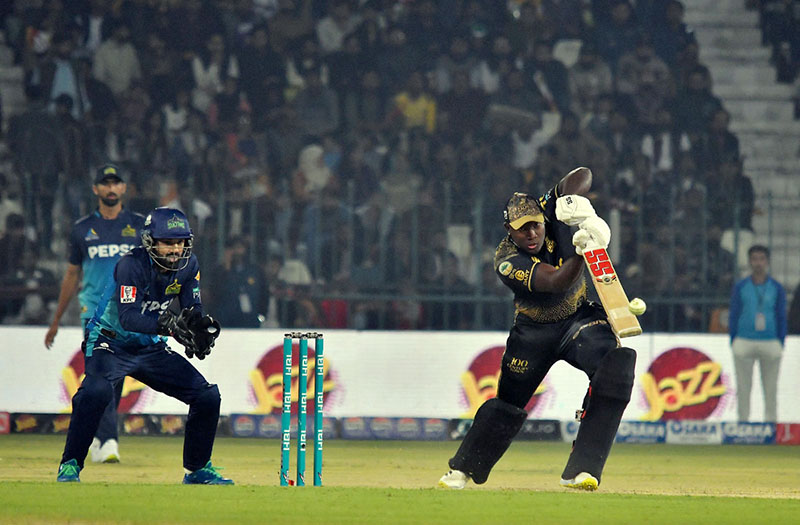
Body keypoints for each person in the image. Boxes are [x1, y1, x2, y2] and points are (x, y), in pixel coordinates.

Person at [438, 167, 636, 491]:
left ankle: (582, 470)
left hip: (579, 320)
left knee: (618, 366)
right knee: (507, 404)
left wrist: (575, 202)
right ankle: (463, 470)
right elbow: (556, 282)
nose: (531, 234)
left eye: (535, 225)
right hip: (533, 334)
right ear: (509, 231)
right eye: (522, 230)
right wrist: (585, 249)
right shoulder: (506, 260)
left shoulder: (548, 208)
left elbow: (582, 175)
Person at [56, 207, 232, 484]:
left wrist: (198, 326)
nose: (176, 249)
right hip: (109, 341)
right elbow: (128, 317)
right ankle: (70, 465)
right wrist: (170, 326)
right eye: (168, 242)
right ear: (151, 241)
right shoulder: (130, 265)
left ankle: (197, 469)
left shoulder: (189, 265)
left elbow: (192, 306)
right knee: (96, 391)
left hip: (150, 346)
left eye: (181, 242)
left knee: (207, 396)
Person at [45, 164, 144, 464]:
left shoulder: (140, 227)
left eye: (116, 183)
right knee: (100, 375)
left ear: (124, 188)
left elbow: (150, 270)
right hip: (94, 315)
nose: (111, 189)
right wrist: (57, 319)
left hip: (128, 313)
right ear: (96, 189)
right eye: (105, 184)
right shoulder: (81, 229)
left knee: (116, 379)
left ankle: (97, 437)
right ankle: (108, 439)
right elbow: (72, 275)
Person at [728, 245, 787, 422]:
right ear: (749, 262)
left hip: (770, 341)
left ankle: (770, 424)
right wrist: (734, 339)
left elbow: (781, 315)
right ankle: (743, 423)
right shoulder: (741, 287)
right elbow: (734, 313)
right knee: (743, 387)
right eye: (754, 259)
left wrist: (780, 341)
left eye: (761, 259)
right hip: (744, 340)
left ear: (767, 262)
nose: (758, 263)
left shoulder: (776, 287)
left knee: (770, 388)